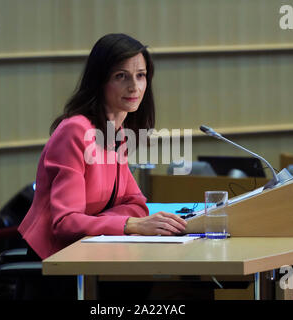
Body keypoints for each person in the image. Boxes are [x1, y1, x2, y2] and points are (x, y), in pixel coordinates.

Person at [18, 33, 187, 262]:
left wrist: (109, 221)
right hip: (56, 263)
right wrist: (128, 224)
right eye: (121, 76)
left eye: (141, 75)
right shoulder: (75, 132)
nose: (134, 87)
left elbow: (136, 204)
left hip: (94, 252)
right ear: (100, 80)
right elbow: (66, 223)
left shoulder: (117, 133)